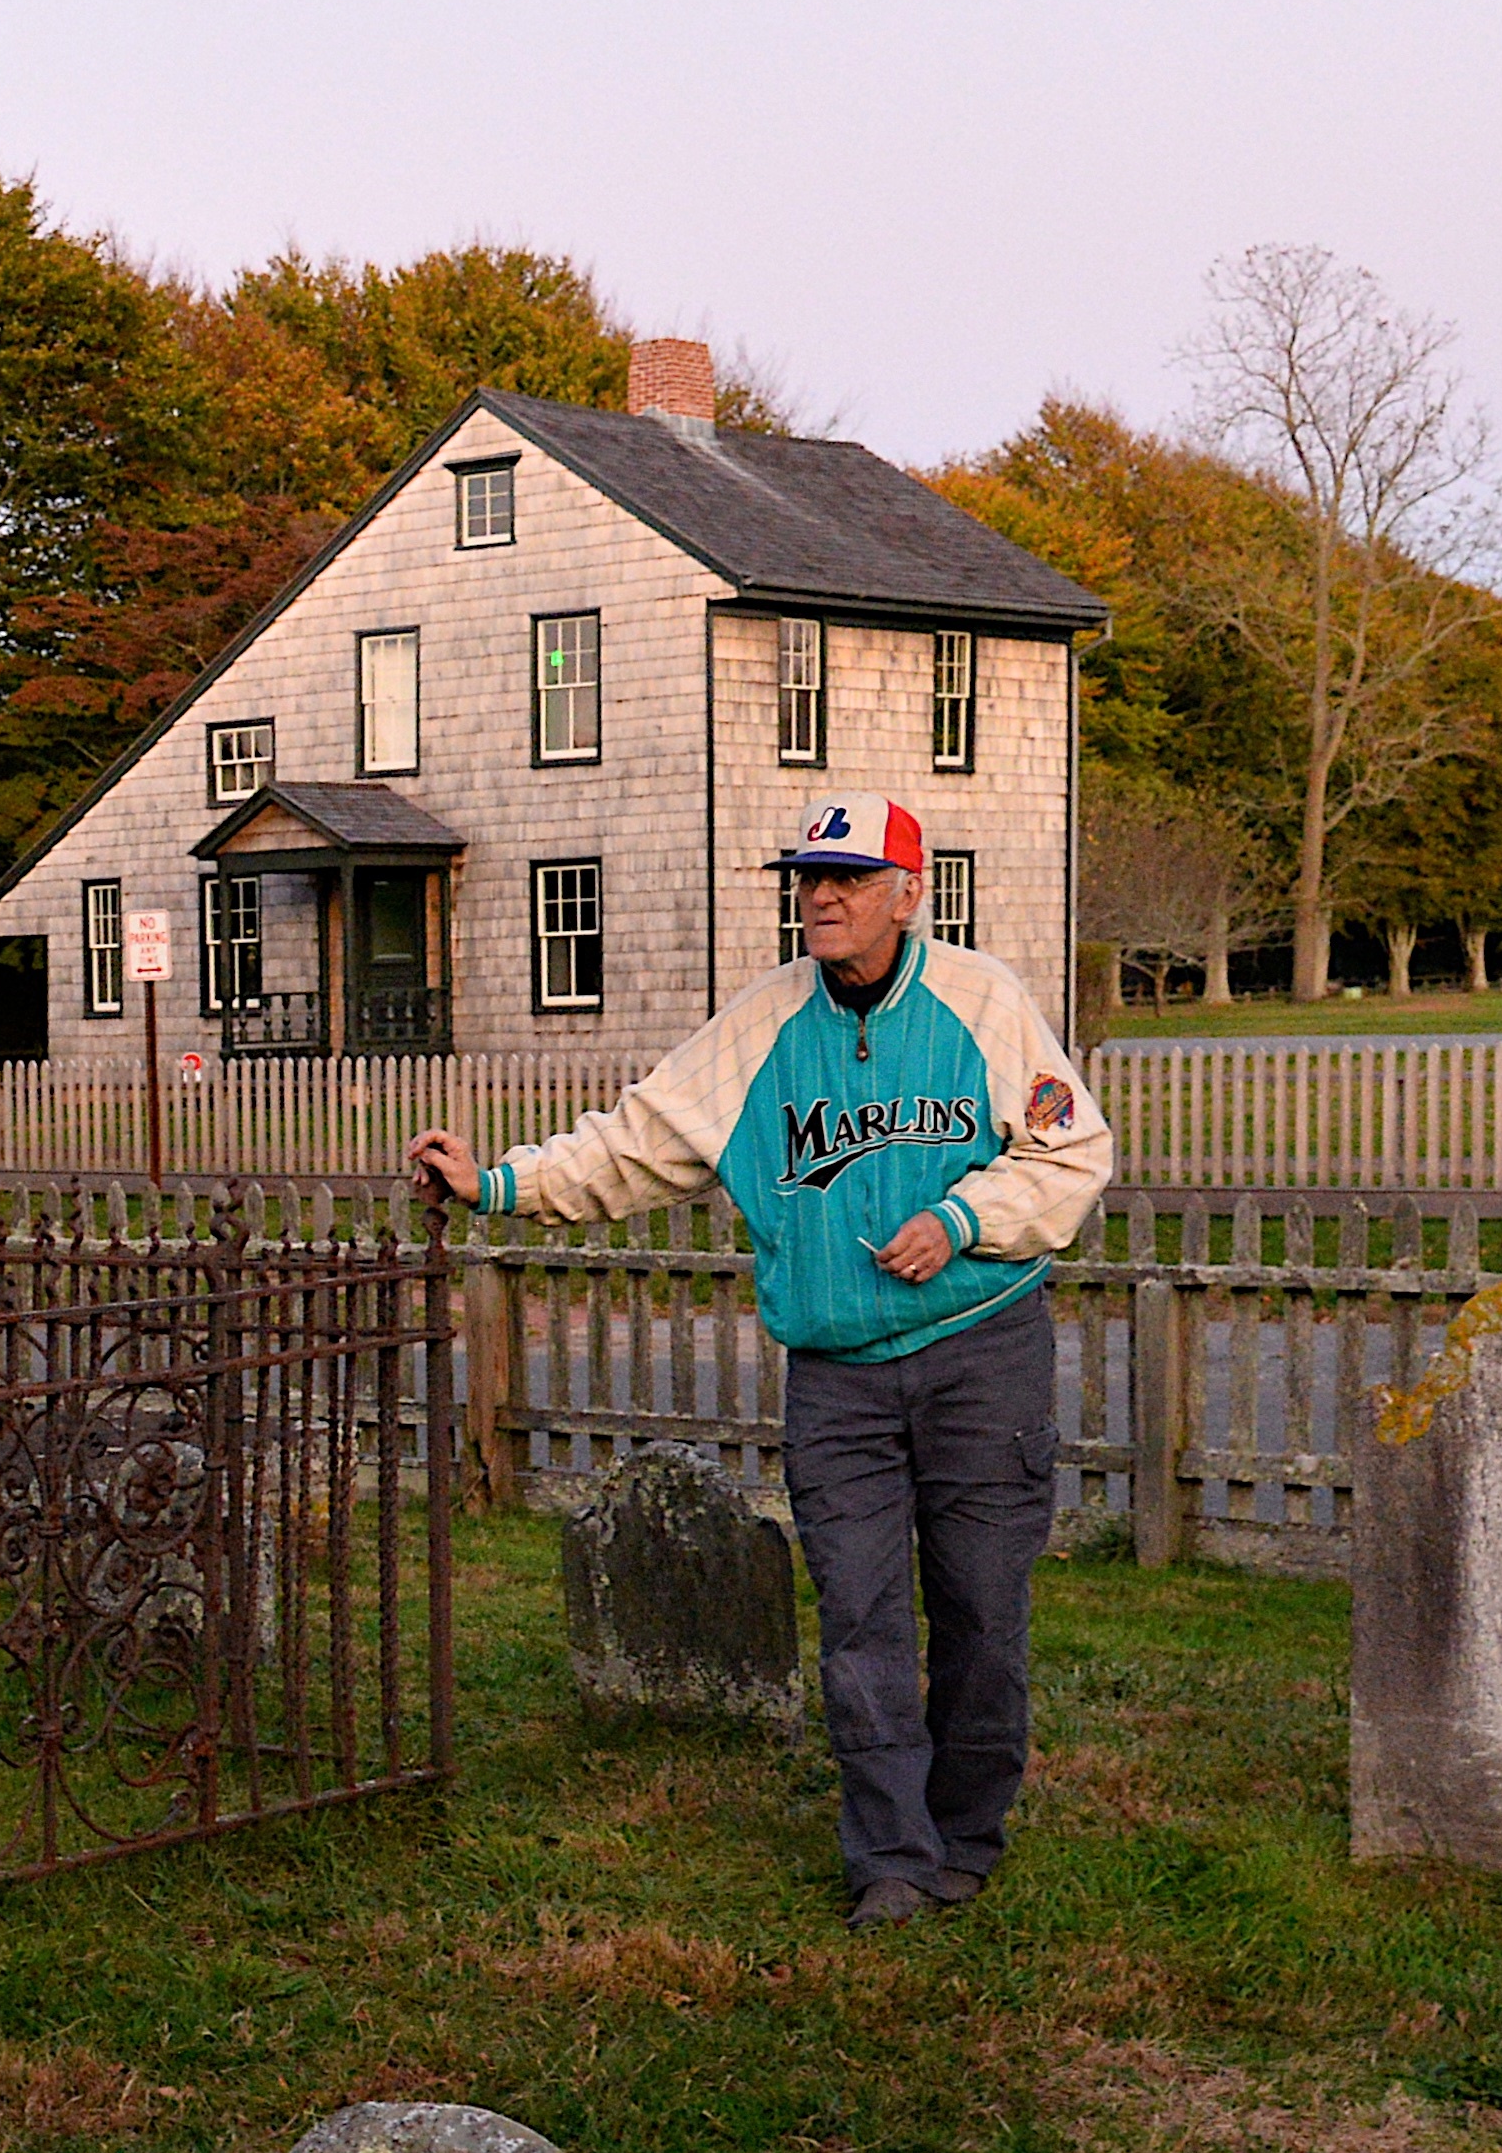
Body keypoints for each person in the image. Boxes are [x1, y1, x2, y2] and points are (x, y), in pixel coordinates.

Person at [407, 795, 1116, 1928]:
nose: (821, 897)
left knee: (981, 1608)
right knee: (860, 1613)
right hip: (836, 1371)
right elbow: (637, 1143)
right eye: (806, 877)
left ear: (906, 889)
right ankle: (888, 1853)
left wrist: (965, 1217)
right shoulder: (760, 1026)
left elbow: (1070, 1152)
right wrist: (496, 1182)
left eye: (846, 877)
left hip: (980, 1353)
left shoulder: (982, 1002)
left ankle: (965, 1834)